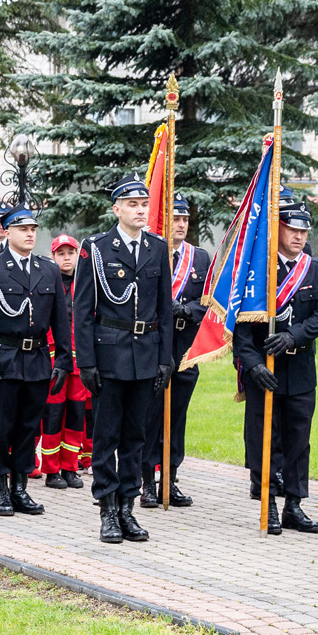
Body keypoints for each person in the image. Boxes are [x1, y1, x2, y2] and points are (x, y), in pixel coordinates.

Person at [74, 175, 173, 544]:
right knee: (106, 436)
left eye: (144, 204)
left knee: (136, 436)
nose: (140, 210)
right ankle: (107, 509)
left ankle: (128, 508)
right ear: (116, 209)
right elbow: (83, 310)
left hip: (145, 355)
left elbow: (164, 308)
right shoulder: (97, 248)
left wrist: (165, 358)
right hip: (109, 354)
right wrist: (86, 362)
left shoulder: (156, 247)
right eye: (132, 204)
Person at [0, 208, 72, 516]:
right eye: (23, 228)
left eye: (33, 229)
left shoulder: (47, 269)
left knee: (28, 428)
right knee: (0, 428)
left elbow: (60, 319)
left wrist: (63, 359)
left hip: (37, 359)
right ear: (7, 231)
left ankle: (20, 489)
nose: (29, 234)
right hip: (3, 359)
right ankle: (0, 490)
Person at [234, 196, 318, 533]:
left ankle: (294, 505)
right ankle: (268, 503)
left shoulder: (317, 270)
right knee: (264, 438)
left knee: (298, 439)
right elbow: (241, 326)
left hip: (300, 369)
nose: (299, 236)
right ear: (278, 229)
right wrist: (252, 365)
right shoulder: (257, 271)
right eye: (292, 229)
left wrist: (294, 336)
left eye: (304, 230)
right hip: (264, 370)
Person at [132, 196, 207, 509]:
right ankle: (147, 482)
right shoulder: (149, 252)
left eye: (185, 219)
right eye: (175, 219)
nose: (181, 225)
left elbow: (209, 299)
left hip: (185, 347)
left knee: (177, 418)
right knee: (150, 416)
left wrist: (188, 310)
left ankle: (170, 479)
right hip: (154, 346)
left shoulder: (199, 257)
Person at [38, 235, 91, 489]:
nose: (66, 258)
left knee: (75, 416)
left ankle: (70, 467)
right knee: (53, 416)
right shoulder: (47, 283)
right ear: (53, 257)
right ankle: (51, 470)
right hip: (54, 361)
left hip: (79, 362)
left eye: (71, 253)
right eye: (61, 253)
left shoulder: (85, 284)